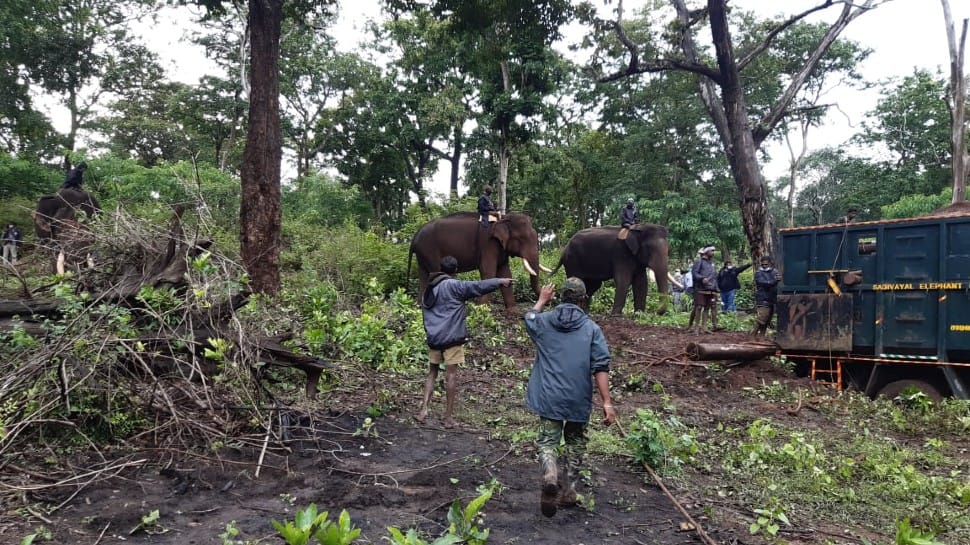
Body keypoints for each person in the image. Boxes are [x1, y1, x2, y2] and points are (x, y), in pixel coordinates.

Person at [524, 278, 615, 518]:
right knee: (575, 443)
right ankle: (569, 492)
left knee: (547, 442)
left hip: (548, 396)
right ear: (583, 300)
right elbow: (600, 366)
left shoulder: (543, 322)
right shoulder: (592, 329)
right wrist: (606, 402)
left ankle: (550, 475)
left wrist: (542, 300)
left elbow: (529, 318)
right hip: (577, 397)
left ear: (560, 297)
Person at [417, 256, 512, 428]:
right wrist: (500, 281)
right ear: (455, 271)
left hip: (434, 338)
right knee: (451, 375)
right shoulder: (455, 286)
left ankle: (423, 410)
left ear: (441, 268)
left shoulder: (431, 288)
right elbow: (478, 286)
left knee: (432, 373)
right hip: (451, 339)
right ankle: (447, 418)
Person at [690, 246, 718, 333]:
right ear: (706, 252)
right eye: (712, 251)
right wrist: (702, 278)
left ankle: (704, 327)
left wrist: (716, 289)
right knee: (699, 307)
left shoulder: (711, 264)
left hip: (711, 289)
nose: (713, 252)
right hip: (700, 288)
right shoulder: (699, 262)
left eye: (714, 251)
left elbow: (714, 277)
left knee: (707, 307)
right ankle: (696, 327)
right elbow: (694, 273)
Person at [753, 256, 782, 336]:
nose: (764, 266)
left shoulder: (775, 271)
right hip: (762, 297)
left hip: (772, 298)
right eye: (763, 264)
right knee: (762, 318)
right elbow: (763, 283)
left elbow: (778, 280)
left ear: (770, 263)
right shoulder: (758, 273)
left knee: (767, 320)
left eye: (766, 264)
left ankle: (761, 336)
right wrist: (774, 281)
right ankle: (753, 335)